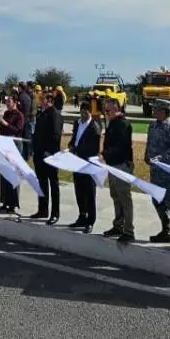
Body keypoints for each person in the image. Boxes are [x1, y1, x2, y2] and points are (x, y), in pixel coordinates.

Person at [144, 99, 170, 254]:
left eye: (156, 109)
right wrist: (147, 155)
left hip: (169, 172)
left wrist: (159, 159)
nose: (153, 112)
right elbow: (149, 143)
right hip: (155, 172)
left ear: (164, 111)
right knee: (157, 200)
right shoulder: (152, 125)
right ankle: (165, 230)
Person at [100, 99, 135, 242]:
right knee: (115, 196)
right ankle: (118, 225)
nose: (106, 113)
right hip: (112, 165)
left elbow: (120, 146)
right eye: (105, 111)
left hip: (121, 165)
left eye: (108, 111)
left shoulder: (123, 124)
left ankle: (128, 231)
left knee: (124, 198)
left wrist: (104, 154)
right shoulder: (112, 123)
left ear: (116, 109)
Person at [29, 90, 63, 224]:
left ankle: (55, 213)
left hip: (50, 155)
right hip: (39, 154)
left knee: (53, 184)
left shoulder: (54, 115)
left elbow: (55, 135)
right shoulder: (41, 114)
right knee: (42, 182)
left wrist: (49, 151)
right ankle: (42, 209)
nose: (39, 101)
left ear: (49, 101)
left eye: (42, 99)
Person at [68, 101, 101, 232]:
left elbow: (94, 148)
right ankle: (82, 215)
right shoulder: (77, 123)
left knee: (90, 193)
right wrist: (71, 145)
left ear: (90, 112)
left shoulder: (94, 127)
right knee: (79, 191)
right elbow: (74, 138)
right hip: (76, 162)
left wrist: (78, 151)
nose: (83, 115)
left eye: (86, 113)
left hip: (88, 163)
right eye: (81, 113)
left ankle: (90, 221)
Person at [0, 95, 25, 213]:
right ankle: (5, 201)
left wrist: (6, 124)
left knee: (13, 174)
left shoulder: (19, 115)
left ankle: (13, 203)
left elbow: (18, 130)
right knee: (4, 174)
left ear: (15, 103)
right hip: (5, 144)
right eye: (6, 102)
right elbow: (2, 128)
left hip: (14, 144)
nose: (7, 104)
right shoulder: (6, 114)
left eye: (9, 102)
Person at [17, 83, 35, 161]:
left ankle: (24, 155)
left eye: (18, 87)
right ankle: (27, 155)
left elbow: (20, 109)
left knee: (21, 139)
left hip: (22, 120)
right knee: (26, 138)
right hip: (27, 119)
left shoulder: (21, 97)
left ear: (20, 88)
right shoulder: (28, 96)